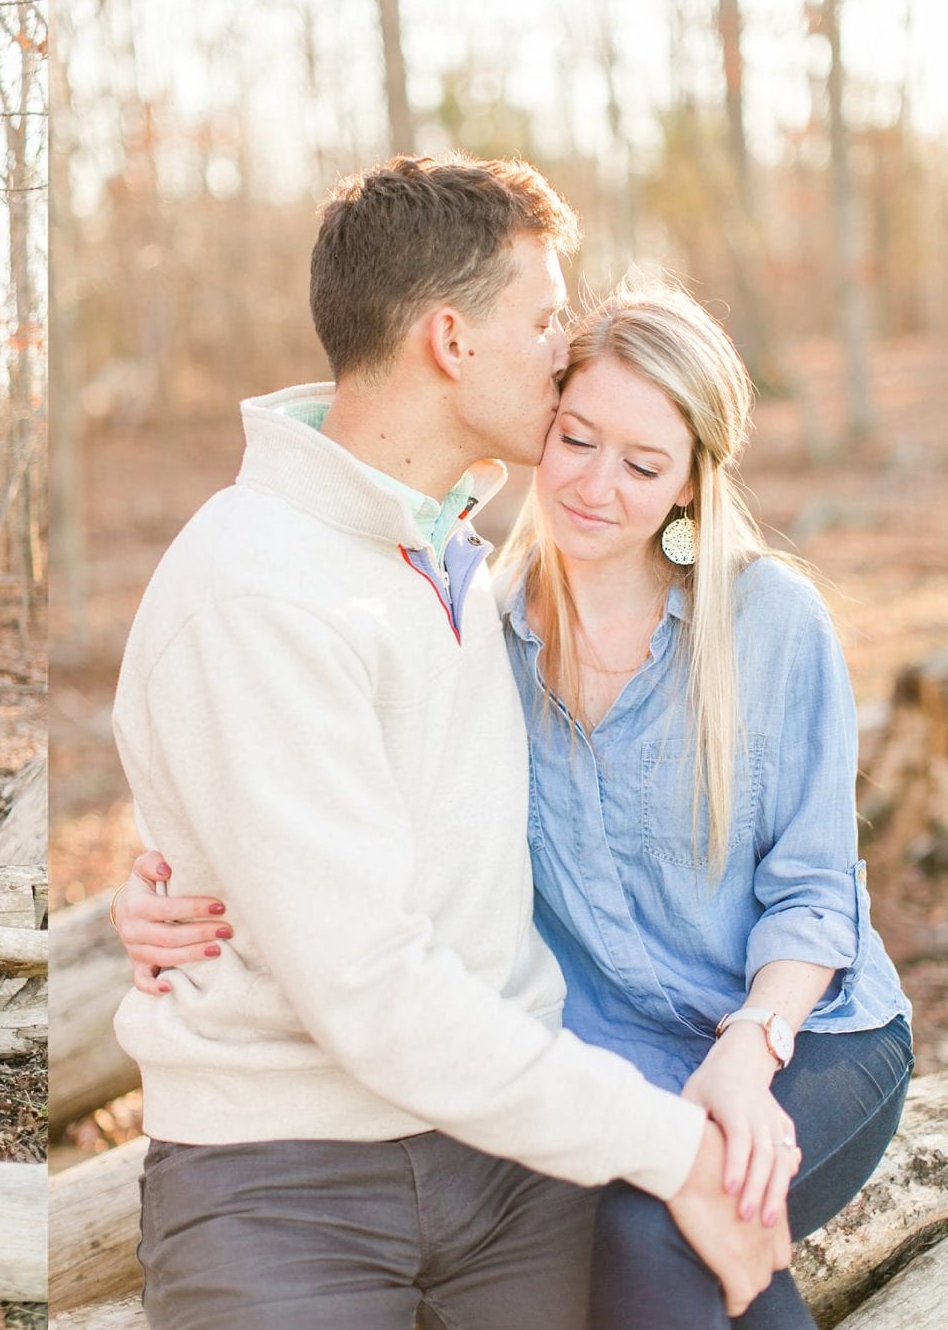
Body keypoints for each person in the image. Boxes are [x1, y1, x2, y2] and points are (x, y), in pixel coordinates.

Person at [112, 282, 912, 1328]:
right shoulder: (479, 630)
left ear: (689, 486)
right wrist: (175, 875)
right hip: (609, 1062)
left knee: (658, 1220)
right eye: (577, 439)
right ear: (545, 426)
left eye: (643, 464)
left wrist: (746, 1054)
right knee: (649, 1213)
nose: (595, 485)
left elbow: (817, 893)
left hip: (805, 1033)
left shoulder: (768, 620)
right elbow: (353, 801)